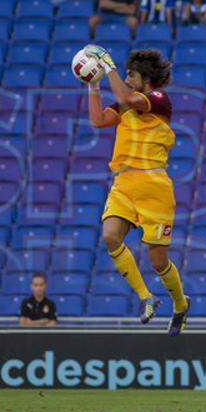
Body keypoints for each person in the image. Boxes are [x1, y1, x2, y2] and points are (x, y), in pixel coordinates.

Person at [83, 45, 190, 337]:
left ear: (146, 81)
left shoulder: (157, 99)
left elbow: (126, 96)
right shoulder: (126, 104)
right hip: (124, 183)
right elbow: (97, 120)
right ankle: (146, 296)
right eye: (125, 74)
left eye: (131, 75)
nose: (127, 79)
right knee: (109, 235)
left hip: (154, 186)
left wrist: (109, 68)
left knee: (158, 261)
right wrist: (93, 85)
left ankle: (180, 305)